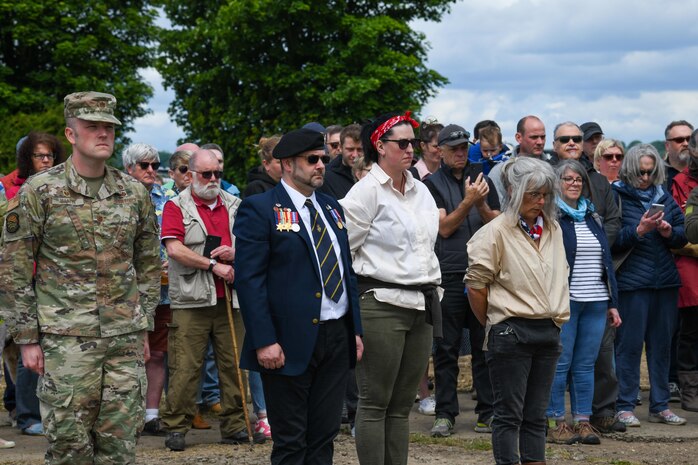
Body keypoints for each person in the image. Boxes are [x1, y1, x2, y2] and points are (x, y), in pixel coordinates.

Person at [0, 91, 161, 464]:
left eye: (109, 127)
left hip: (124, 341)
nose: (103, 134)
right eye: (92, 127)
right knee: (69, 448)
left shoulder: (133, 192)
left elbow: (149, 264)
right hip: (65, 341)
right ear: (71, 134)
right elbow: (14, 268)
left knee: (120, 448)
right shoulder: (40, 192)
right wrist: (26, 339)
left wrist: (143, 325)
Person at [234, 127, 363, 465]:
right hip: (287, 338)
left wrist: (356, 330)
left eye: (323, 158)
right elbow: (250, 281)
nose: (321, 165)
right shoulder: (259, 208)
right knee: (292, 442)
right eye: (312, 159)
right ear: (288, 164)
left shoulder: (332, 207)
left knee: (324, 437)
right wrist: (264, 340)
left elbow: (346, 270)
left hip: (335, 333)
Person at [340, 111, 441, 465]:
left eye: (412, 142)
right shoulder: (364, 193)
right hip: (380, 303)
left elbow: (427, 249)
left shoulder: (421, 192)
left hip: (422, 303)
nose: (410, 148)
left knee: (400, 406)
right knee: (374, 402)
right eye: (402, 143)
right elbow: (342, 254)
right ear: (380, 147)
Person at [465, 157, 570, 465]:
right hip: (511, 333)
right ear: (513, 191)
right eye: (533, 194)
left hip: (548, 332)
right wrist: (497, 324)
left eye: (545, 194)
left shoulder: (553, 229)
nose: (540, 201)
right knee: (509, 416)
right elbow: (476, 287)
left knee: (537, 417)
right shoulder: (494, 232)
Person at [159, 148, 249, 451]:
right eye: (206, 174)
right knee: (185, 367)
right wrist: (213, 265)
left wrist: (236, 256)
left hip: (231, 298)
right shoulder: (176, 206)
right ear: (191, 174)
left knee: (235, 365)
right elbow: (174, 249)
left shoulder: (236, 205)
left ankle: (236, 426)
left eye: (217, 174)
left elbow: (254, 243)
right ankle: (175, 427)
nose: (213, 180)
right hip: (191, 298)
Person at [423, 123, 500, 438]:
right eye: (452, 147)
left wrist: (479, 203)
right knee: (446, 349)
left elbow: (498, 222)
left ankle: (487, 413)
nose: (459, 152)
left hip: (482, 274)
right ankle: (445, 414)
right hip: (450, 276)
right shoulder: (430, 185)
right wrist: (468, 202)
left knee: (485, 347)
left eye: (462, 147)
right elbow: (443, 228)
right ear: (439, 150)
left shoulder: (482, 177)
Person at [545, 160, 621, 446]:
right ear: (557, 183)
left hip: (597, 301)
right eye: (567, 179)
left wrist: (613, 302)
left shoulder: (593, 216)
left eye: (578, 179)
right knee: (560, 364)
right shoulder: (552, 218)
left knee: (586, 364)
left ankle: (583, 421)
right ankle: (555, 422)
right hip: (567, 302)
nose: (574, 183)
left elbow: (606, 263)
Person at [612, 144, 688, 427]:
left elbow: (682, 236)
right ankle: (625, 405)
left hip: (665, 282)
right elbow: (611, 240)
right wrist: (638, 231)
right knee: (629, 347)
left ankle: (661, 405)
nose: (645, 178)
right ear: (630, 171)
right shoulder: (616, 196)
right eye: (640, 172)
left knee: (662, 347)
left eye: (650, 171)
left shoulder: (663, 196)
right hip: (632, 283)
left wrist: (669, 232)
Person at [122, 143, 174, 436]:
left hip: (163, 291)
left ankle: (151, 415)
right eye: (145, 166)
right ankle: (126, 415)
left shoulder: (168, 197)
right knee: (128, 353)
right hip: (126, 293)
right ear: (129, 168)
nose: (152, 171)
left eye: (155, 165)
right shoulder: (116, 197)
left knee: (156, 353)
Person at [670, 128, 698, 412]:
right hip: (690, 265)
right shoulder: (680, 182)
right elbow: (682, 229)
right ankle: (690, 390)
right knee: (690, 330)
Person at [489, 115, 551, 205]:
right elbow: (497, 213)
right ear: (519, 137)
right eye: (534, 137)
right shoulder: (499, 172)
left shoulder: (552, 169)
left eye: (543, 137)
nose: (540, 142)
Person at [320, 124, 363, 199]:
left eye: (360, 150)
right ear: (340, 147)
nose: (355, 155)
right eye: (350, 149)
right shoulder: (326, 178)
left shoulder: (374, 172)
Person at [664, 120, 694, 191]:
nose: (686, 144)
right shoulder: (656, 175)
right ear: (667, 146)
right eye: (679, 140)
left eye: (689, 139)